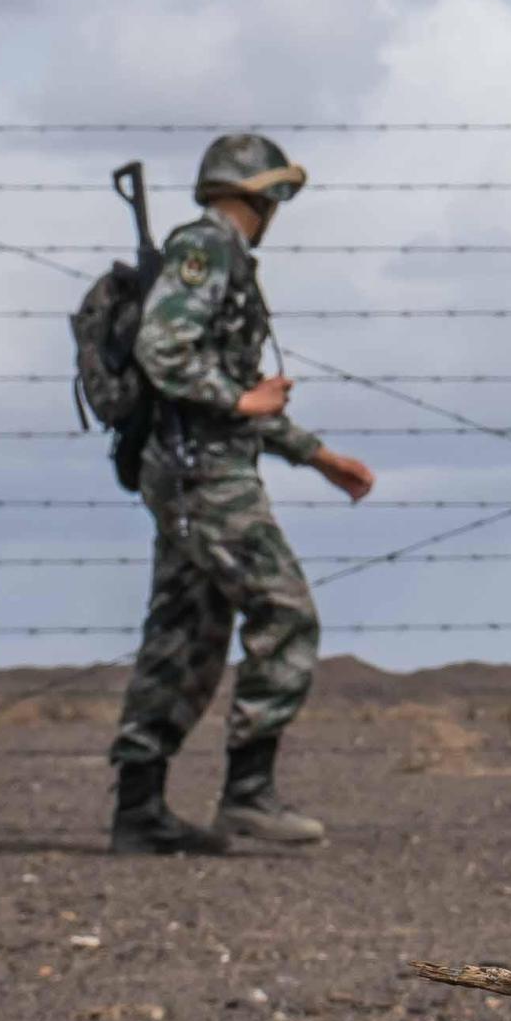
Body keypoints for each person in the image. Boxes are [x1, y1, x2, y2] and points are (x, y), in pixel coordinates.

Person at [110, 130, 379, 855]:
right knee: (285, 611)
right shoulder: (208, 250)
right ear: (259, 193)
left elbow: (234, 392)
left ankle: (139, 812)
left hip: (196, 468)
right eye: (277, 195)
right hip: (205, 475)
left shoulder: (218, 255)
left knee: (185, 635)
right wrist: (239, 401)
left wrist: (317, 456)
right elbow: (163, 351)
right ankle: (249, 794)